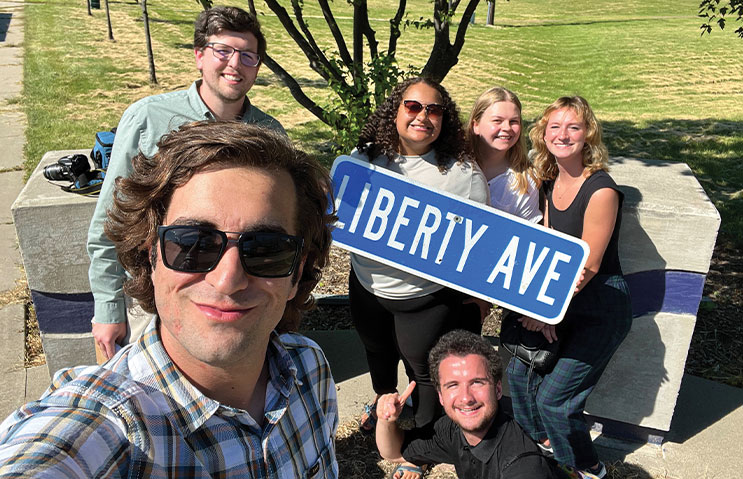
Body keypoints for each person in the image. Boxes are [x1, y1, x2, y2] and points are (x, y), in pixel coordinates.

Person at [0, 122, 338, 478]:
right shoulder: (107, 423)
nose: (228, 280)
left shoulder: (309, 369)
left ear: (296, 273)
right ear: (151, 255)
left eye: (267, 250)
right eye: (193, 243)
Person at [88, 5, 286, 360]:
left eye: (247, 56)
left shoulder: (269, 133)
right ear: (199, 56)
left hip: (233, 291)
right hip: (155, 295)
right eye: (222, 51)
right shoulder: (149, 118)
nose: (234, 64)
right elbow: (112, 220)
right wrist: (107, 309)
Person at [349, 77, 489, 478]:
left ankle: (422, 448)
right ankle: (385, 409)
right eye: (412, 106)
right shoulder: (363, 160)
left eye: (434, 110)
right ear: (395, 111)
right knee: (377, 351)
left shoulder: (462, 175)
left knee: (424, 372)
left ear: (445, 119)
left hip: (423, 297)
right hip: (367, 285)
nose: (423, 116)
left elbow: (474, 244)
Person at [507, 96, 632, 478]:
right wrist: (541, 309)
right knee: (518, 375)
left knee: (555, 402)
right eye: (554, 127)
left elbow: (588, 266)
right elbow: (546, 249)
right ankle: (545, 449)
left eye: (573, 127)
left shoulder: (601, 190)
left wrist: (545, 309)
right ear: (543, 135)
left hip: (598, 309)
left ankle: (589, 468)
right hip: (560, 303)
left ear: (588, 134)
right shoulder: (546, 183)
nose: (563, 135)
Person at [376, 330, 559, 479]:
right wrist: (386, 420)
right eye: (453, 385)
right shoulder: (452, 428)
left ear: (497, 389)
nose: (466, 398)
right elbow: (394, 454)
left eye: (477, 382)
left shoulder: (523, 466)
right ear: (441, 396)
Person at [466, 86, 542, 223]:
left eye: (514, 121)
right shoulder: (451, 162)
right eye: (497, 121)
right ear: (475, 125)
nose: (507, 128)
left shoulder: (525, 183)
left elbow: (526, 235)